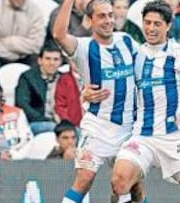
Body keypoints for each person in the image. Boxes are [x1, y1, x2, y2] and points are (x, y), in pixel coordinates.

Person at [109, 0, 180, 202]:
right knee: (119, 183)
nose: (151, 28)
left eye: (157, 24)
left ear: (168, 25)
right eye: (147, 23)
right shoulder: (135, 53)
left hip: (174, 136)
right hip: (142, 135)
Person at [53, 0, 139, 202]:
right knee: (84, 179)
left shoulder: (126, 40)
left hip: (129, 129)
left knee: (132, 188)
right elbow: (58, 35)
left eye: (110, 15)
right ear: (89, 20)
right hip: (98, 127)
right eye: (102, 16)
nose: (108, 20)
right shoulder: (83, 47)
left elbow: (146, 67)